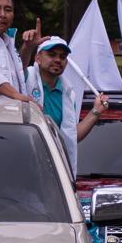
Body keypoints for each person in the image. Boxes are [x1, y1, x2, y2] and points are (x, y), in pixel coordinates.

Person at [23, 36, 109, 176]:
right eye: (51, 54)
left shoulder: (68, 93)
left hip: (53, 169)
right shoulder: (26, 78)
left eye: (63, 57)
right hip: (24, 161)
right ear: (38, 58)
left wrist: (96, 111)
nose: (58, 60)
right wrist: (27, 48)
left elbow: (70, 136)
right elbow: (18, 69)